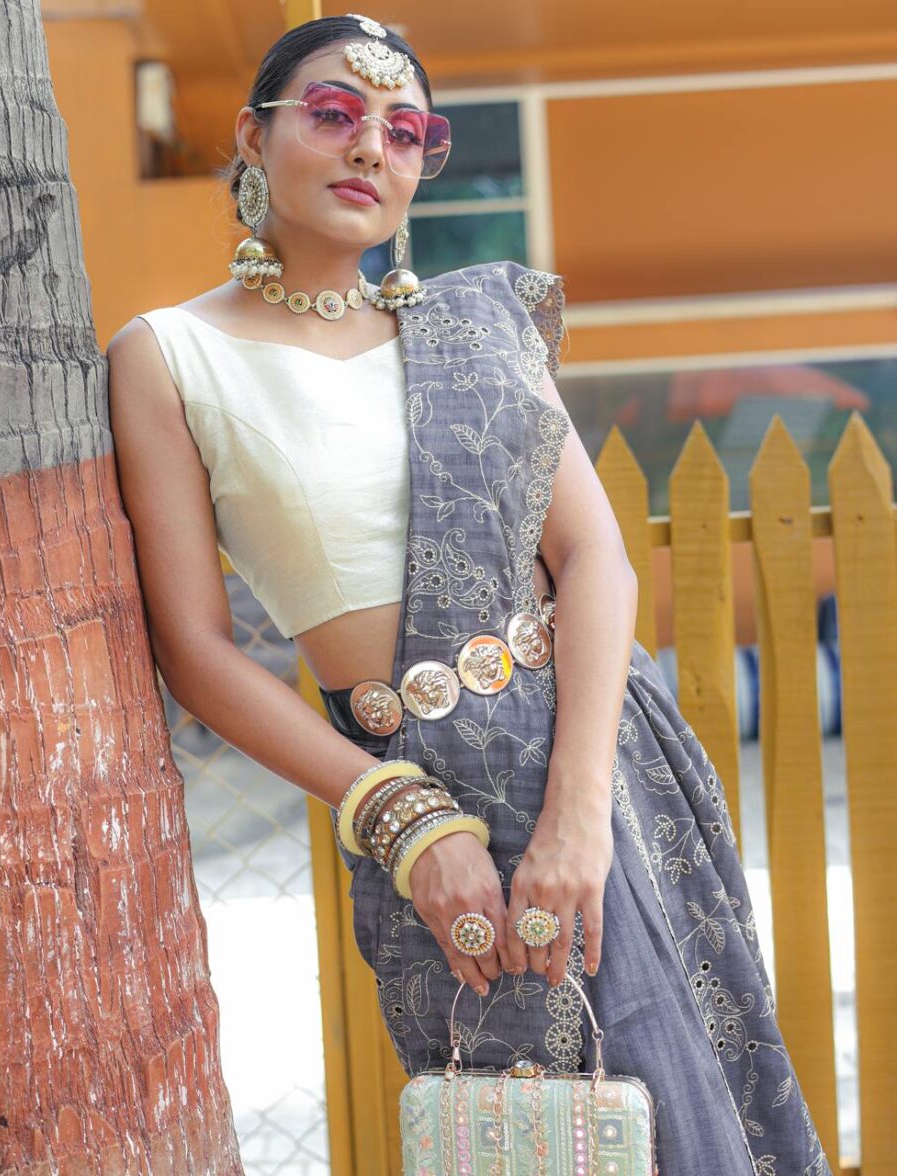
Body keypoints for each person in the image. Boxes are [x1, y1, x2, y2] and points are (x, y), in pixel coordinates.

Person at [107, 14, 829, 1174]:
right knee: (532, 1138)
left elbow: (593, 561)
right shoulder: (169, 357)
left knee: (689, 1110)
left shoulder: (475, 328)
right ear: (249, 134)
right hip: (421, 802)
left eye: (405, 132)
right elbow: (194, 648)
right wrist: (402, 819)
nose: (369, 148)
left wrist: (577, 817)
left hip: (600, 773)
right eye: (333, 114)